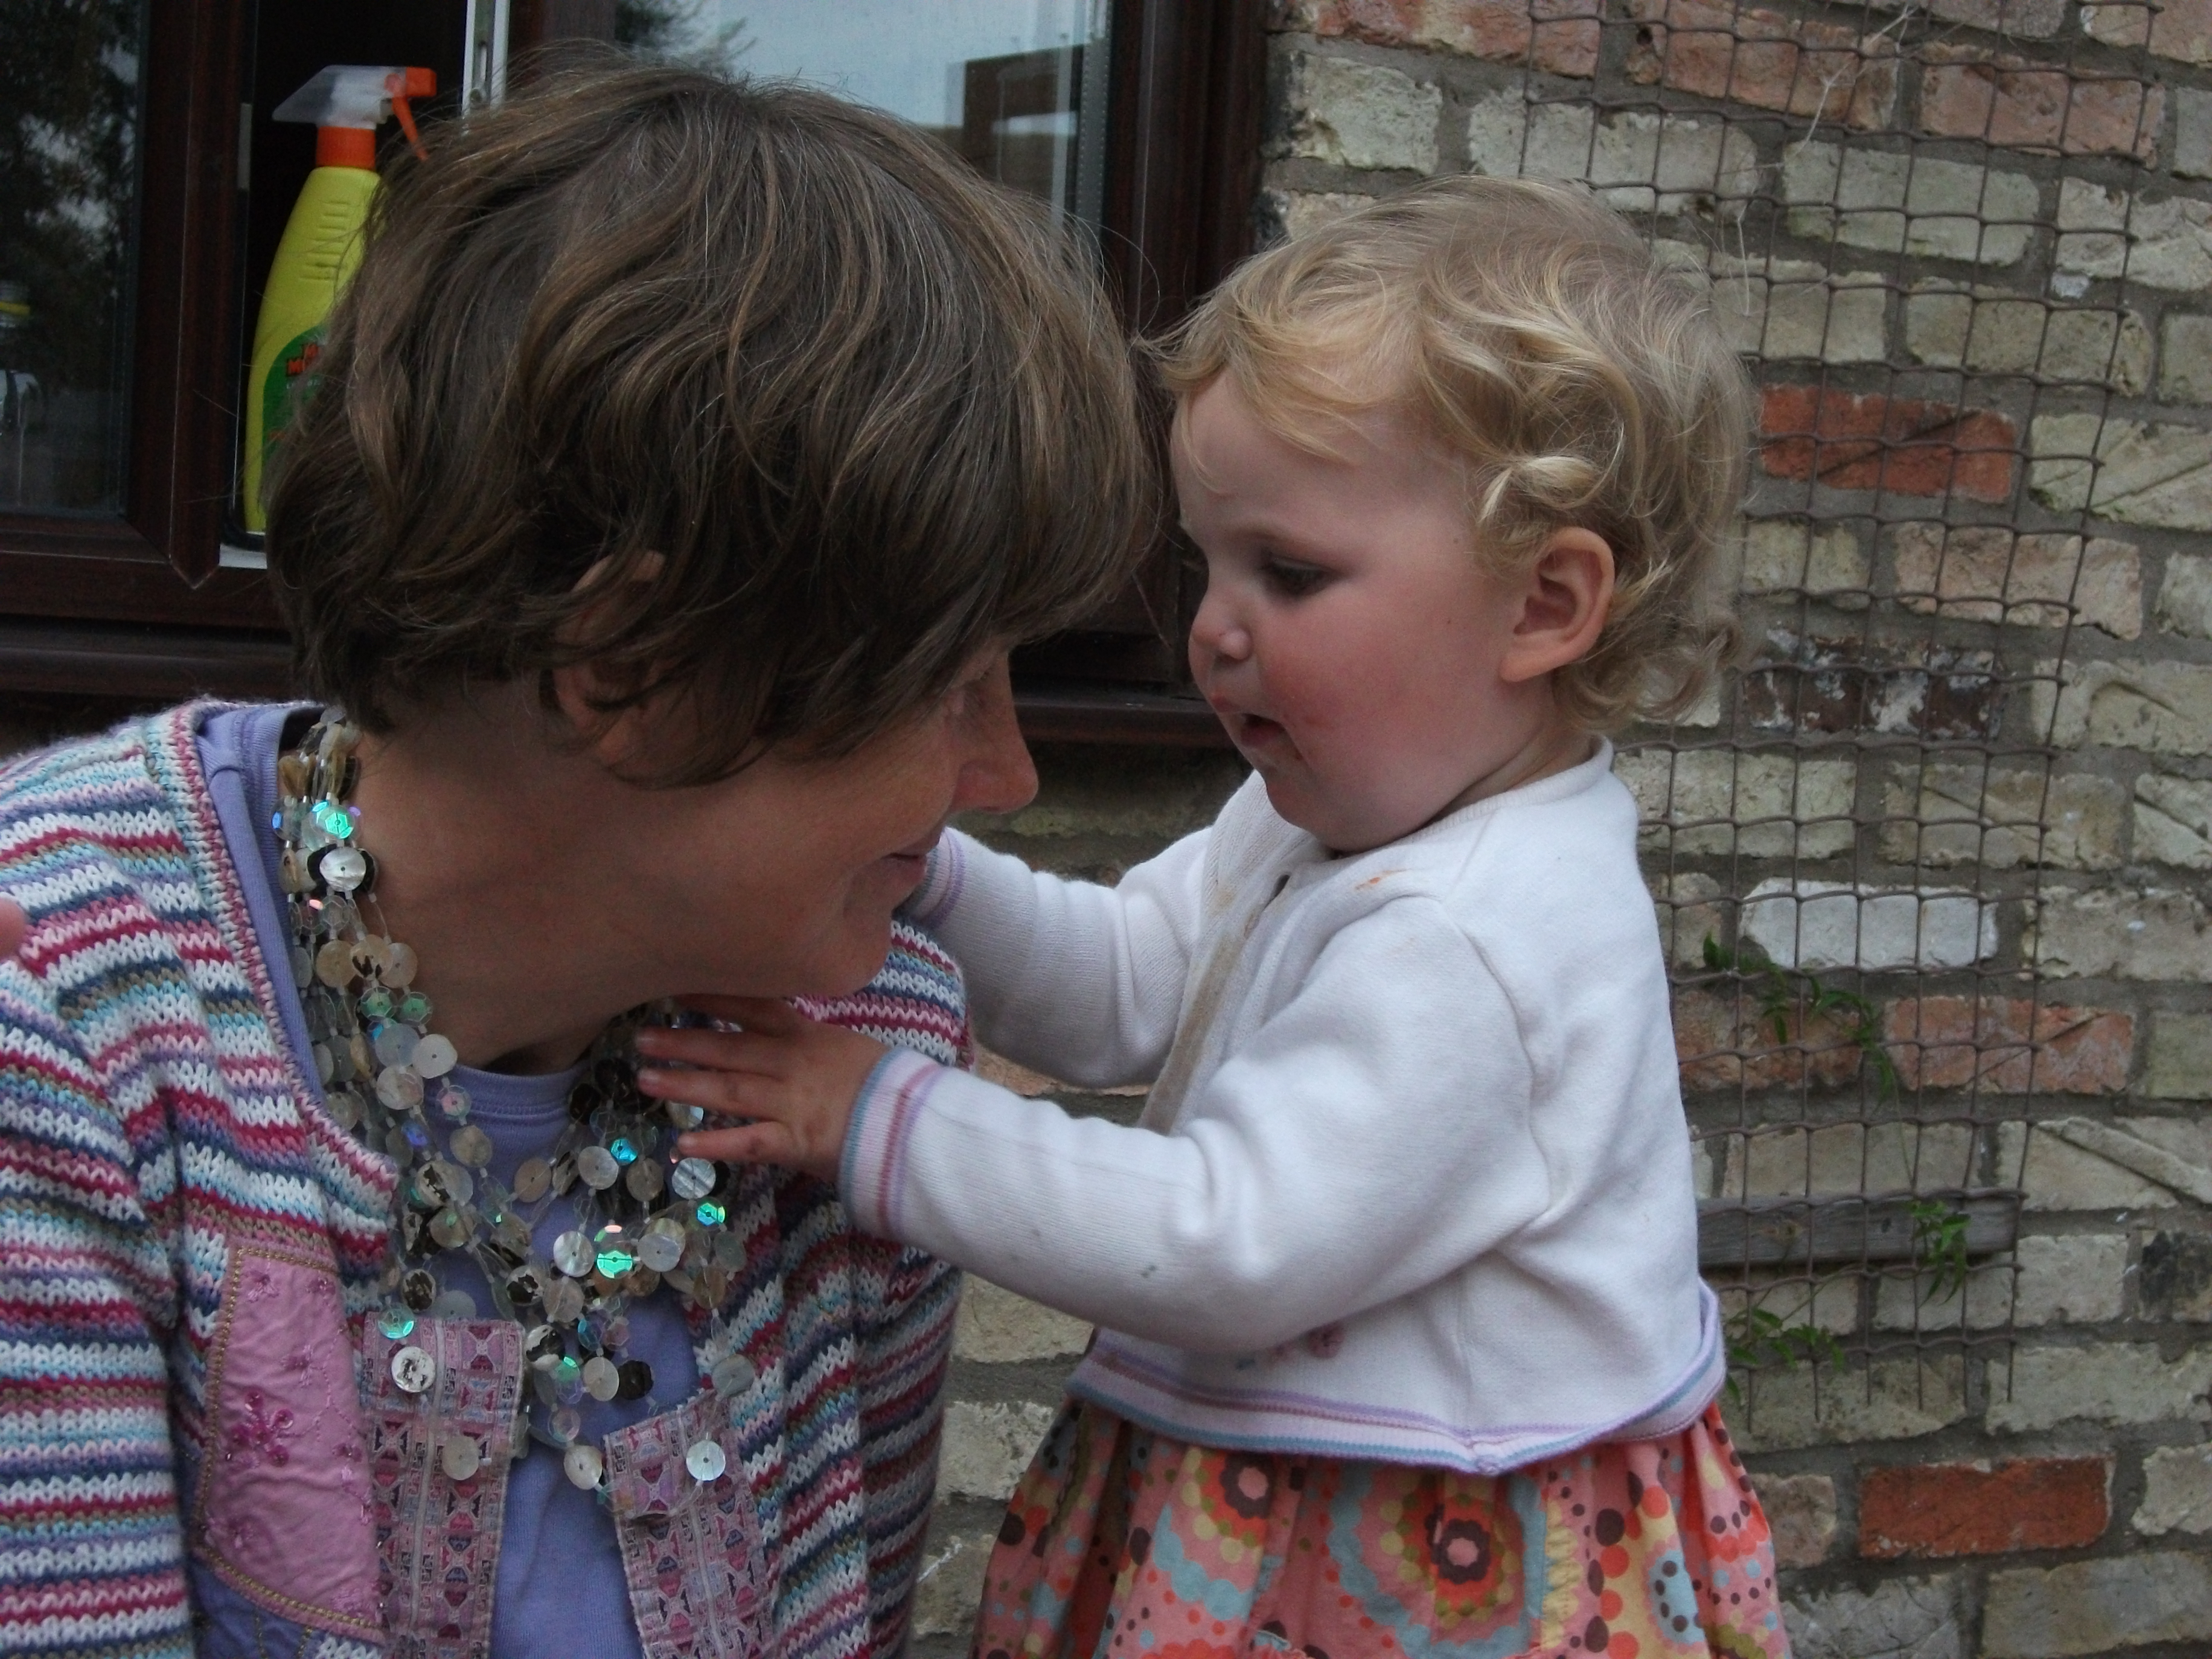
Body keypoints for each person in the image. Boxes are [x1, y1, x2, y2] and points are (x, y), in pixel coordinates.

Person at [0, 59, 1147, 1659]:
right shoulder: (67, 1020)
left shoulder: (856, 1055)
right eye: (954, 682)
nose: (1006, 776)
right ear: (631, 662)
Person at [633, 177, 1791, 1659]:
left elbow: (1230, 1241)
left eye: (1287, 574)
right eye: (1206, 562)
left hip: (1422, 1558)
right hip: (1287, 1494)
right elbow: (1127, 983)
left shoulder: (1482, 934)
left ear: (1541, 607)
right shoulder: (1320, 816)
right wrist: (925, 868)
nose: (1212, 627)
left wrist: (875, 1117)